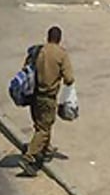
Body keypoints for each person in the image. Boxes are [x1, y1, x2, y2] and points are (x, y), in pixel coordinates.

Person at [19, 26, 75, 177]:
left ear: (48, 37)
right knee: (44, 128)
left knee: (41, 123)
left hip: (33, 96)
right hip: (48, 97)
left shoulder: (38, 51)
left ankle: (45, 149)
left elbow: (26, 68)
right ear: (59, 38)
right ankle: (29, 156)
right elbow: (69, 79)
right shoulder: (61, 54)